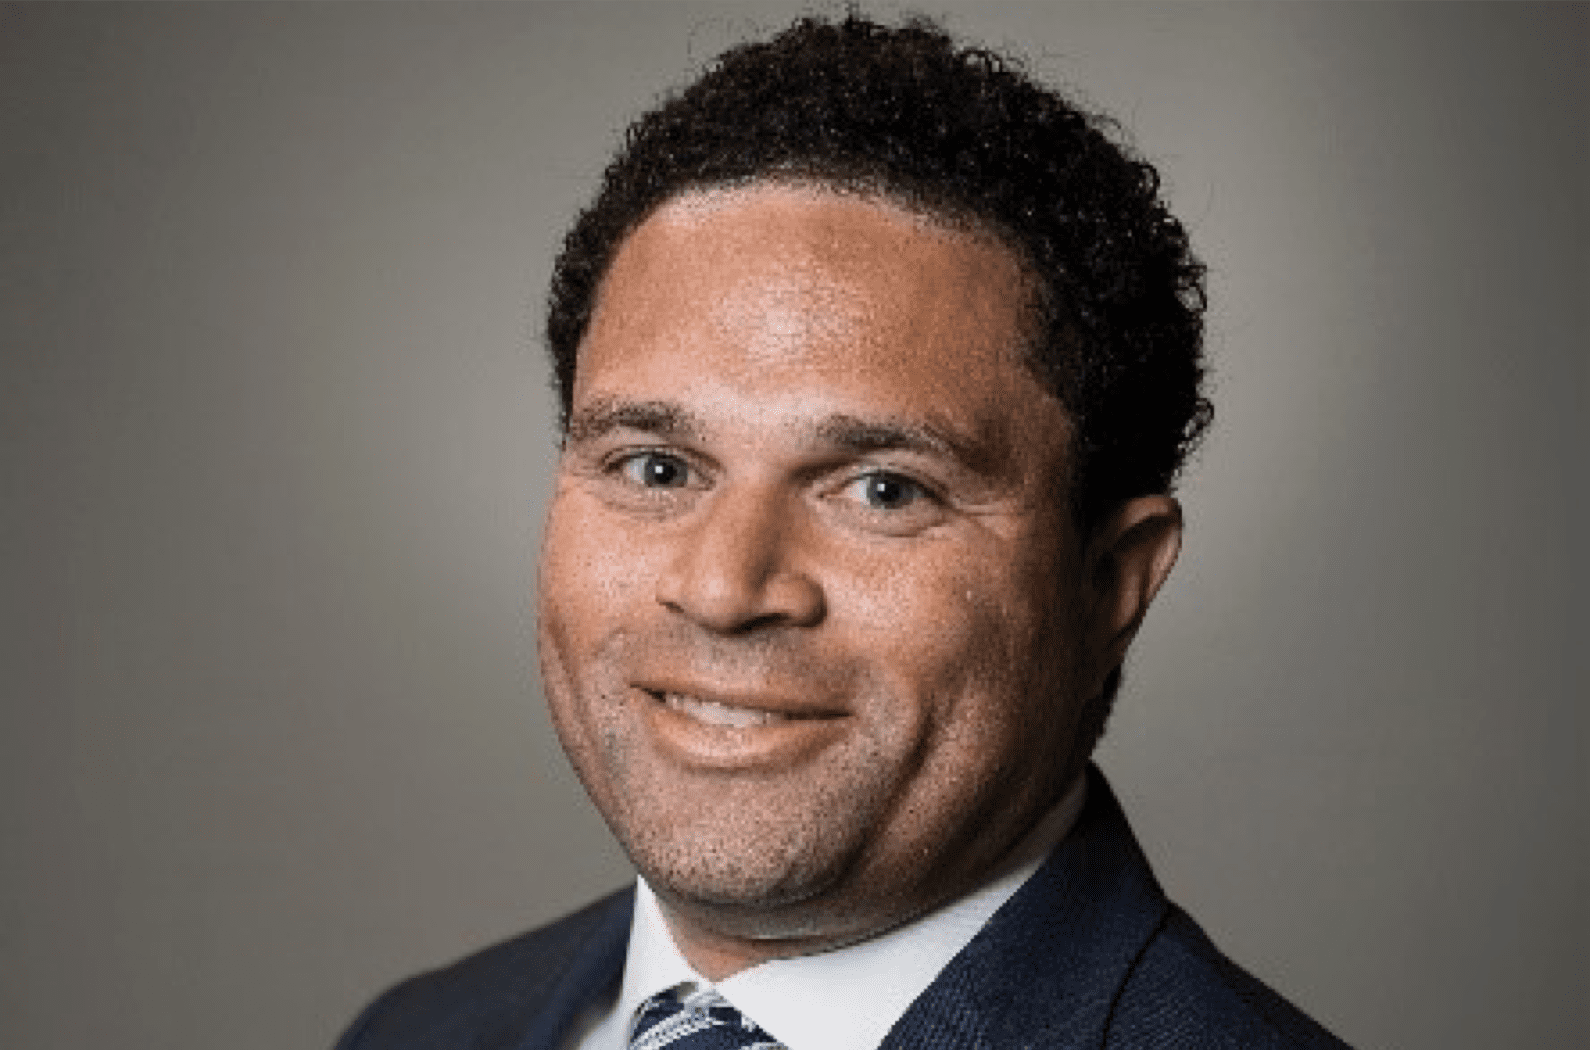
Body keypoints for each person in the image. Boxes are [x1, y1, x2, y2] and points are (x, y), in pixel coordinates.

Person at [336, 13, 1350, 1050]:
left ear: (1109, 585)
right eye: (658, 468)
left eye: (882, 491)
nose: (727, 589)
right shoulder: (418, 1032)